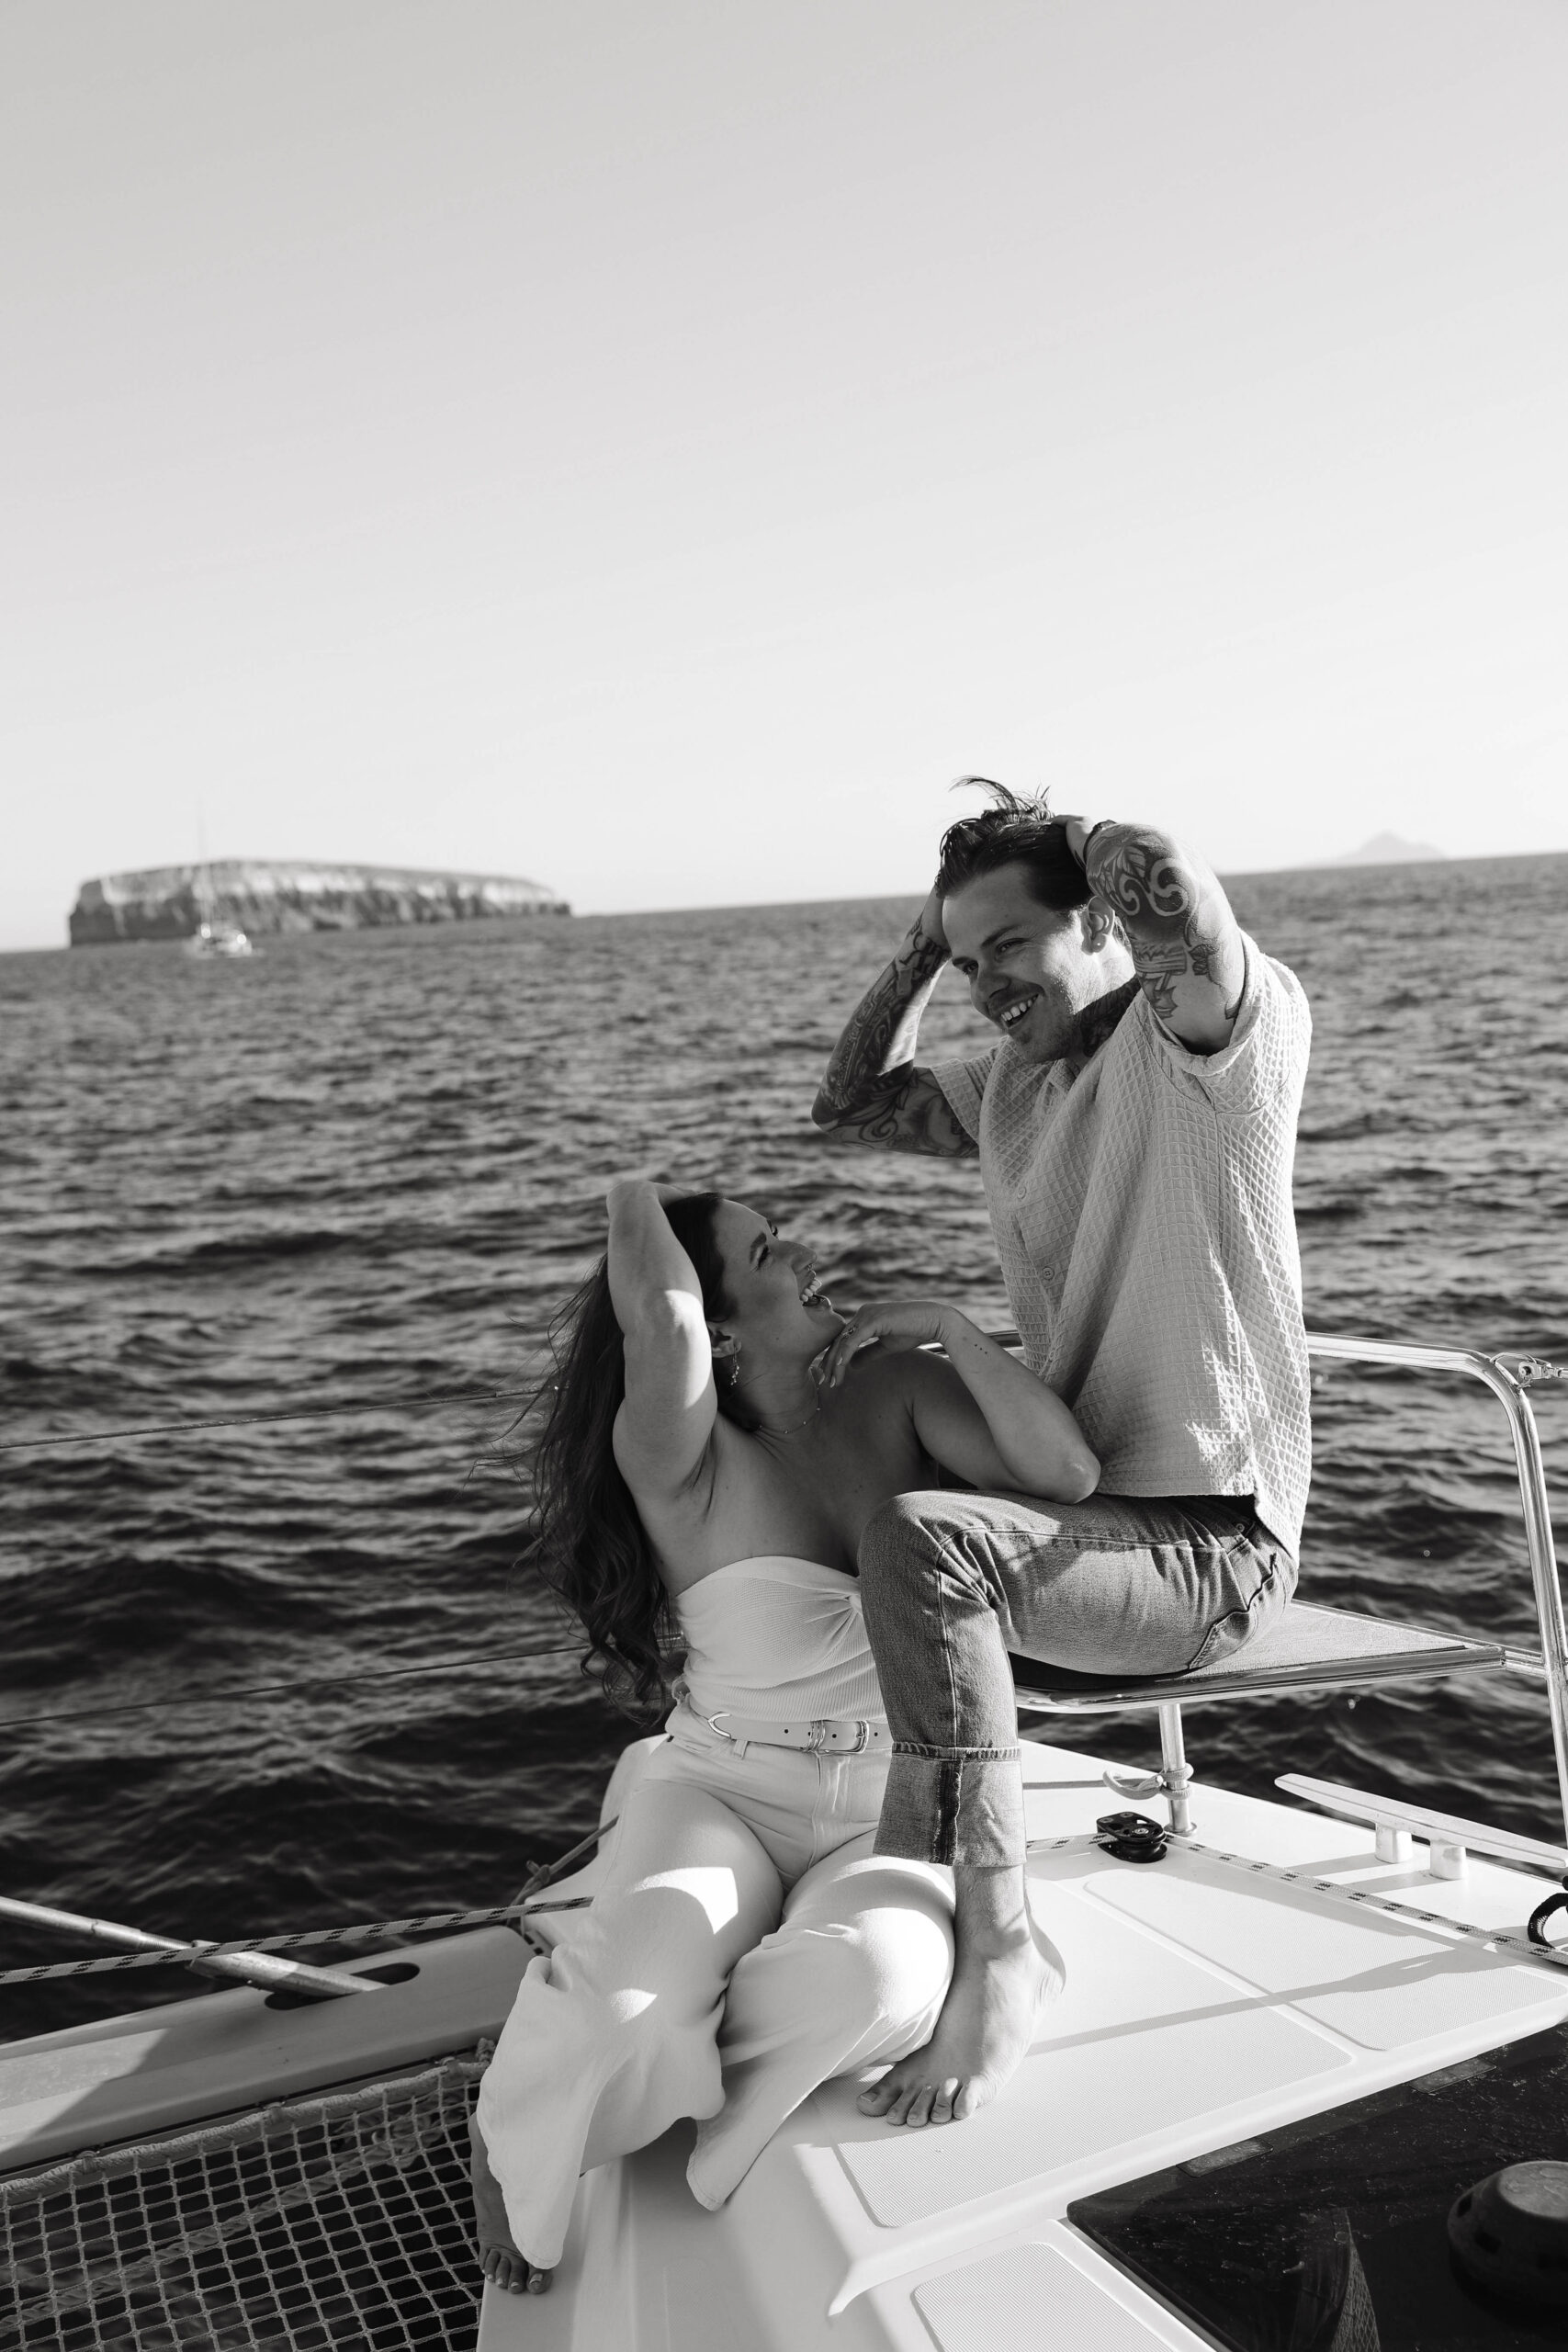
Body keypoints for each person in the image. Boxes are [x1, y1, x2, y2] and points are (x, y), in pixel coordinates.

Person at [473, 1175, 1098, 2294]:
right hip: (720, 1790)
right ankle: (562, 2076)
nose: (805, 1252)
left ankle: (641, 2043)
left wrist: (952, 1330)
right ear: (713, 1325)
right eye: (767, 1251)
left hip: (886, 1805)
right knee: (628, 2014)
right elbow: (656, 1315)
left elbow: (1067, 1473)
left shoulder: (901, 1391)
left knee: (869, 1988)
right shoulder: (680, 1450)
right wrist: (631, 1187)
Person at [813, 784, 1311, 2128]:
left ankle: (997, 1954)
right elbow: (843, 1106)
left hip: (1204, 1553)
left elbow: (1170, 887)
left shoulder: (1202, 1042)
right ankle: (852, 1874)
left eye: (1009, 949)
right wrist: (929, 944)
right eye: (965, 962)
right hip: (1078, 1523)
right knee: (847, 1422)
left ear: (1095, 921)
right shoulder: (1010, 1087)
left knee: (929, 1542)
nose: (984, 986)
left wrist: (1081, 840)